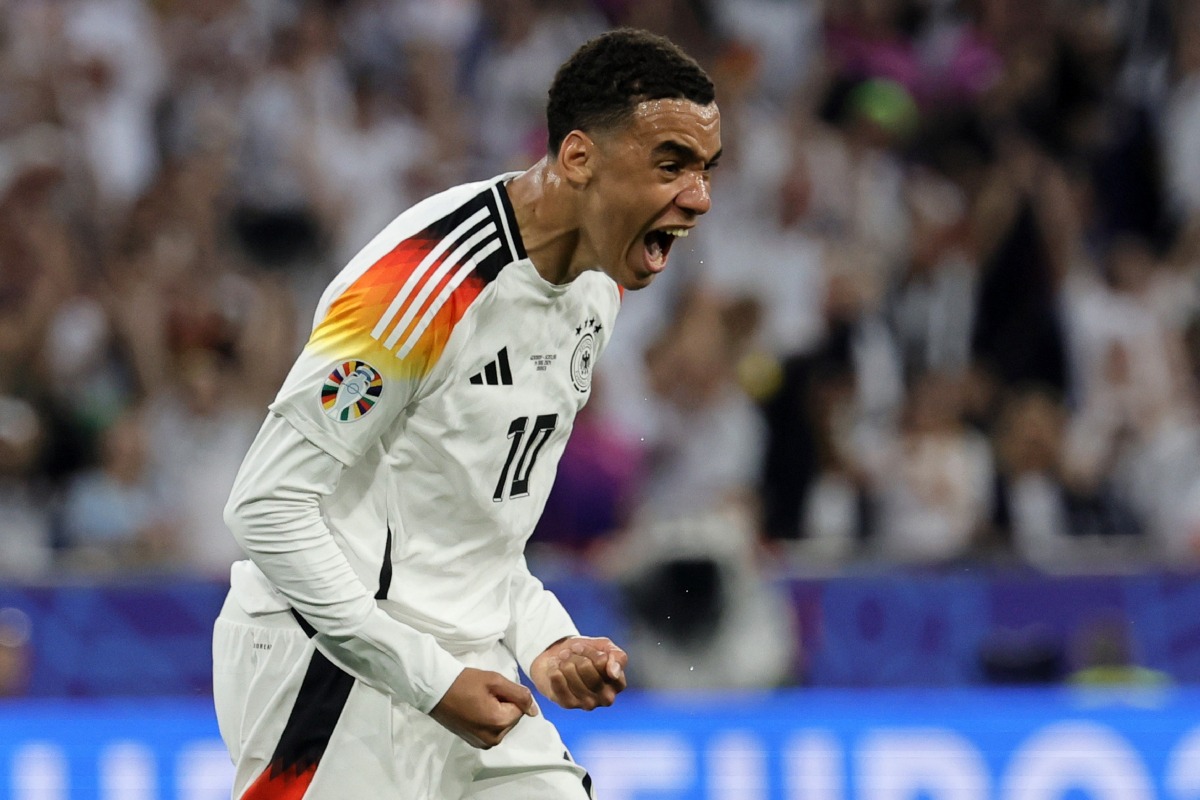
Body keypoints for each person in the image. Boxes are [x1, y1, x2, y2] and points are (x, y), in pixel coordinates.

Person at [212, 28, 720, 800]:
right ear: (579, 158)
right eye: (671, 164)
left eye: (706, 170)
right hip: (328, 671)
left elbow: (470, 531)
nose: (699, 198)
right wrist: (427, 678)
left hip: (466, 670)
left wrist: (544, 638)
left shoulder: (593, 292)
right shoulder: (422, 280)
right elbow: (266, 506)